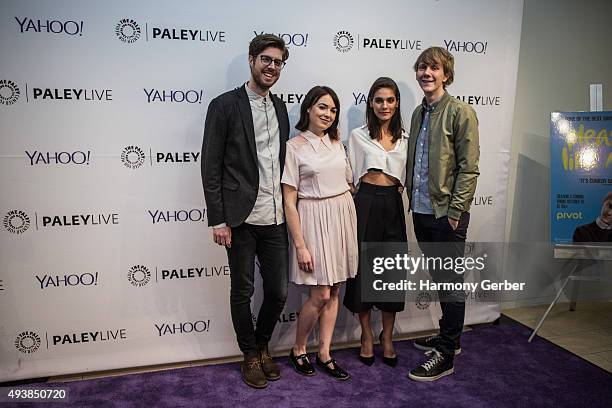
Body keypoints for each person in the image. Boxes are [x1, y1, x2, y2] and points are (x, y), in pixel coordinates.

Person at [200, 34, 290, 389]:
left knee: (279, 291)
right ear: (252, 60)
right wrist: (218, 218)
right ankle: (250, 354)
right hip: (239, 218)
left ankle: (264, 343)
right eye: (266, 60)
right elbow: (211, 166)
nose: (271, 67)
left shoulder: (281, 107)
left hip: (276, 216)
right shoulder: (224, 105)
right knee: (242, 291)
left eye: (278, 62)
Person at [405, 47, 480, 381]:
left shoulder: (461, 112)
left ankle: (446, 353)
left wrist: (456, 210)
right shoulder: (418, 113)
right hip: (421, 210)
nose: (427, 73)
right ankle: (452, 335)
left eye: (434, 68)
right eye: (422, 67)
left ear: (446, 74)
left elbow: (469, 167)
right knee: (440, 279)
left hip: (446, 214)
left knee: (450, 283)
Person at [282, 86, 357, 381]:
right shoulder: (294, 146)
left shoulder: (338, 142)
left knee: (336, 289)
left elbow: (349, 181)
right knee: (320, 293)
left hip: (340, 216)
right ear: (309, 109)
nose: (328, 114)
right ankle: (298, 348)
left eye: (333, 110)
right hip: (312, 218)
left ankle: (325, 353)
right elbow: (289, 200)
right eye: (322, 107)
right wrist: (300, 245)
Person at [343, 77, 408, 368]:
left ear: (396, 103)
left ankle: (388, 336)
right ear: (371, 103)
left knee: (391, 273)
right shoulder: (358, 135)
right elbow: (351, 175)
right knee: (364, 272)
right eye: (379, 100)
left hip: (392, 206)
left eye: (390, 100)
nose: (385, 105)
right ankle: (367, 335)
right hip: (365, 203)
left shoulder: (406, 137)